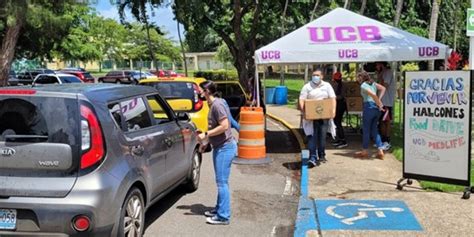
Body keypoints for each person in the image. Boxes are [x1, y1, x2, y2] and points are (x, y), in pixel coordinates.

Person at [197, 80, 237, 225]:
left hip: (225, 148)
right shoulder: (214, 103)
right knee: (221, 181)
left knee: (222, 183)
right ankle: (219, 208)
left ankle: (223, 216)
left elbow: (225, 125)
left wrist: (206, 134)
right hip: (220, 147)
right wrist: (206, 143)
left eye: (200, 90)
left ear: (207, 91)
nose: (198, 93)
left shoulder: (217, 105)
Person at [299, 69, 336, 168]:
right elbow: (301, 99)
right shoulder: (307, 87)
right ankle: (312, 157)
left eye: (317, 75)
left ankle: (322, 154)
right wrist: (304, 112)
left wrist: (333, 111)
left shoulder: (327, 86)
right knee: (312, 136)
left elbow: (332, 98)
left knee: (322, 137)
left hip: (324, 116)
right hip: (311, 117)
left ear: (322, 76)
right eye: (314, 75)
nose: (315, 77)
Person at [355, 71, 386, 159]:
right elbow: (383, 88)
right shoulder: (373, 83)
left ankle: (364, 151)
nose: (357, 79)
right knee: (374, 130)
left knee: (366, 130)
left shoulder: (363, 85)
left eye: (358, 77)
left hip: (369, 107)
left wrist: (379, 103)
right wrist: (379, 101)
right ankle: (380, 150)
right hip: (375, 108)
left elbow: (372, 95)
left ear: (362, 78)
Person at [375, 62, 396, 150]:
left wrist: (376, 82)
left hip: (386, 102)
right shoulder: (382, 73)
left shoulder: (387, 72)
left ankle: (387, 142)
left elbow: (384, 86)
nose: (375, 67)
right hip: (382, 102)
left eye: (377, 65)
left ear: (381, 64)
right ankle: (382, 141)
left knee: (385, 121)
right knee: (381, 121)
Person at [330, 70, 348, 148]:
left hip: (340, 105)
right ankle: (339, 139)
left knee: (338, 123)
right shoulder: (338, 85)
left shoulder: (340, 86)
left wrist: (333, 98)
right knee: (336, 122)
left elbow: (341, 96)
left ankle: (343, 140)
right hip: (339, 105)